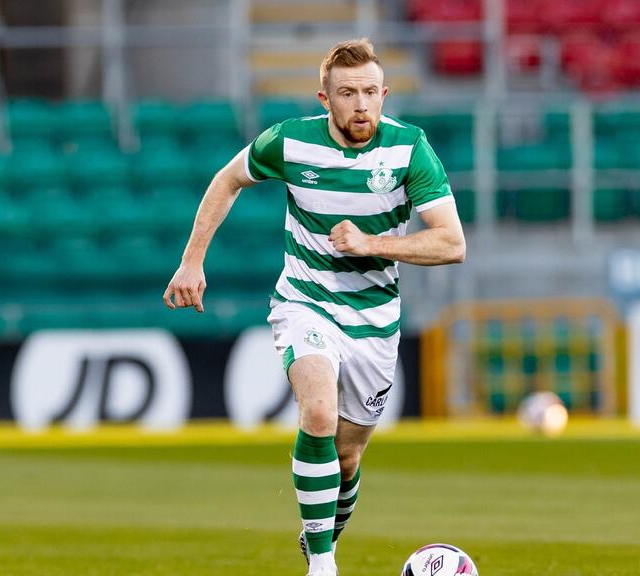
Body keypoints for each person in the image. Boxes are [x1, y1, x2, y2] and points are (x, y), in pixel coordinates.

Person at [163, 38, 465, 576]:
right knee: (319, 412)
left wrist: (374, 244)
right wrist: (192, 261)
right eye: (347, 93)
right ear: (324, 98)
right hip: (306, 301)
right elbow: (227, 180)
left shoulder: (409, 149)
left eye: (371, 92)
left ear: (385, 94)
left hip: (375, 318)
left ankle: (319, 534)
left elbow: (451, 243)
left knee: (346, 459)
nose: (361, 105)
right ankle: (323, 565)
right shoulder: (289, 142)